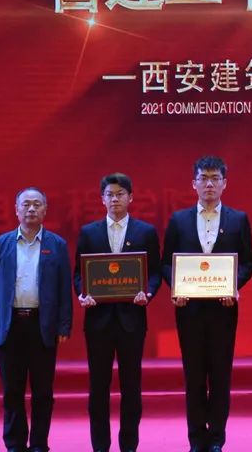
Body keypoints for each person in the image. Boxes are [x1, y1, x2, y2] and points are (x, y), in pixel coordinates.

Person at [161, 155, 252, 452]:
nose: (209, 184)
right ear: (194, 183)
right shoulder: (179, 220)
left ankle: (216, 438)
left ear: (225, 183)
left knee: (220, 374)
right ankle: (196, 438)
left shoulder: (238, 219)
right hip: (189, 309)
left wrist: (234, 286)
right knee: (194, 375)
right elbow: (166, 263)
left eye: (215, 178)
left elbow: (247, 263)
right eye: (204, 178)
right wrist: (176, 288)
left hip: (223, 309)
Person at [74, 173, 162, 452]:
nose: (115, 199)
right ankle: (100, 446)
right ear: (102, 199)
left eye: (120, 194)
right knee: (98, 387)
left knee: (131, 387)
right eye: (110, 195)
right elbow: (79, 274)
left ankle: (129, 446)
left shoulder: (145, 232)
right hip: (98, 321)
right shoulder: (88, 232)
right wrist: (83, 293)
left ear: (131, 197)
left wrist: (147, 292)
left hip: (131, 320)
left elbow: (155, 273)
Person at [0, 187, 72, 452]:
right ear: (16, 210)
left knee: (43, 391)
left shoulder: (57, 244)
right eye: (26, 204)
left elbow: (64, 288)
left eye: (37, 204)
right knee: (12, 391)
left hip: (42, 325)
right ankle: (15, 444)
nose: (31, 209)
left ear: (45, 210)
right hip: (10, 325)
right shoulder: (2, 244)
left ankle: (39, 444)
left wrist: (64, 325)